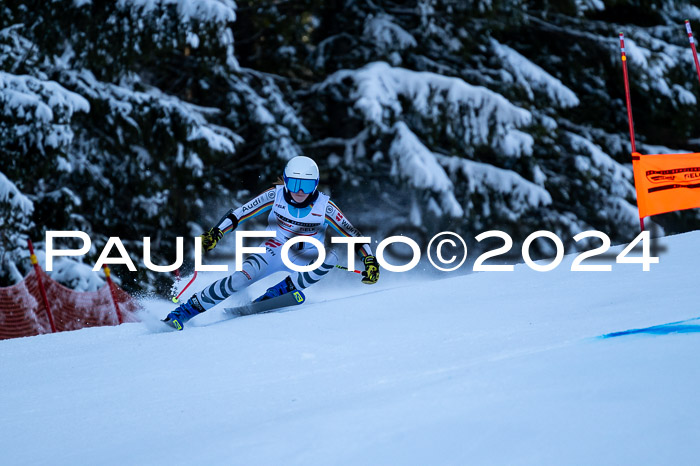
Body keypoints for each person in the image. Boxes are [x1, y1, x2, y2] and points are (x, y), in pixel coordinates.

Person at [163, 156, 380, 330]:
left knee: (329, 258)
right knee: (237, 280)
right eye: (294, 183)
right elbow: (240, 214)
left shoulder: (326, 206)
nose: (300, 192)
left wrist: (370, 260)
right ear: (285, 181)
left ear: (315, 185)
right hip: (273, 250)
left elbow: (353, 234)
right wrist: (216, 233)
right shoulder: (274, 195)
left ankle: (279, 292)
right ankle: (184, 312)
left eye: (306, 185)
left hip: (306, 257)